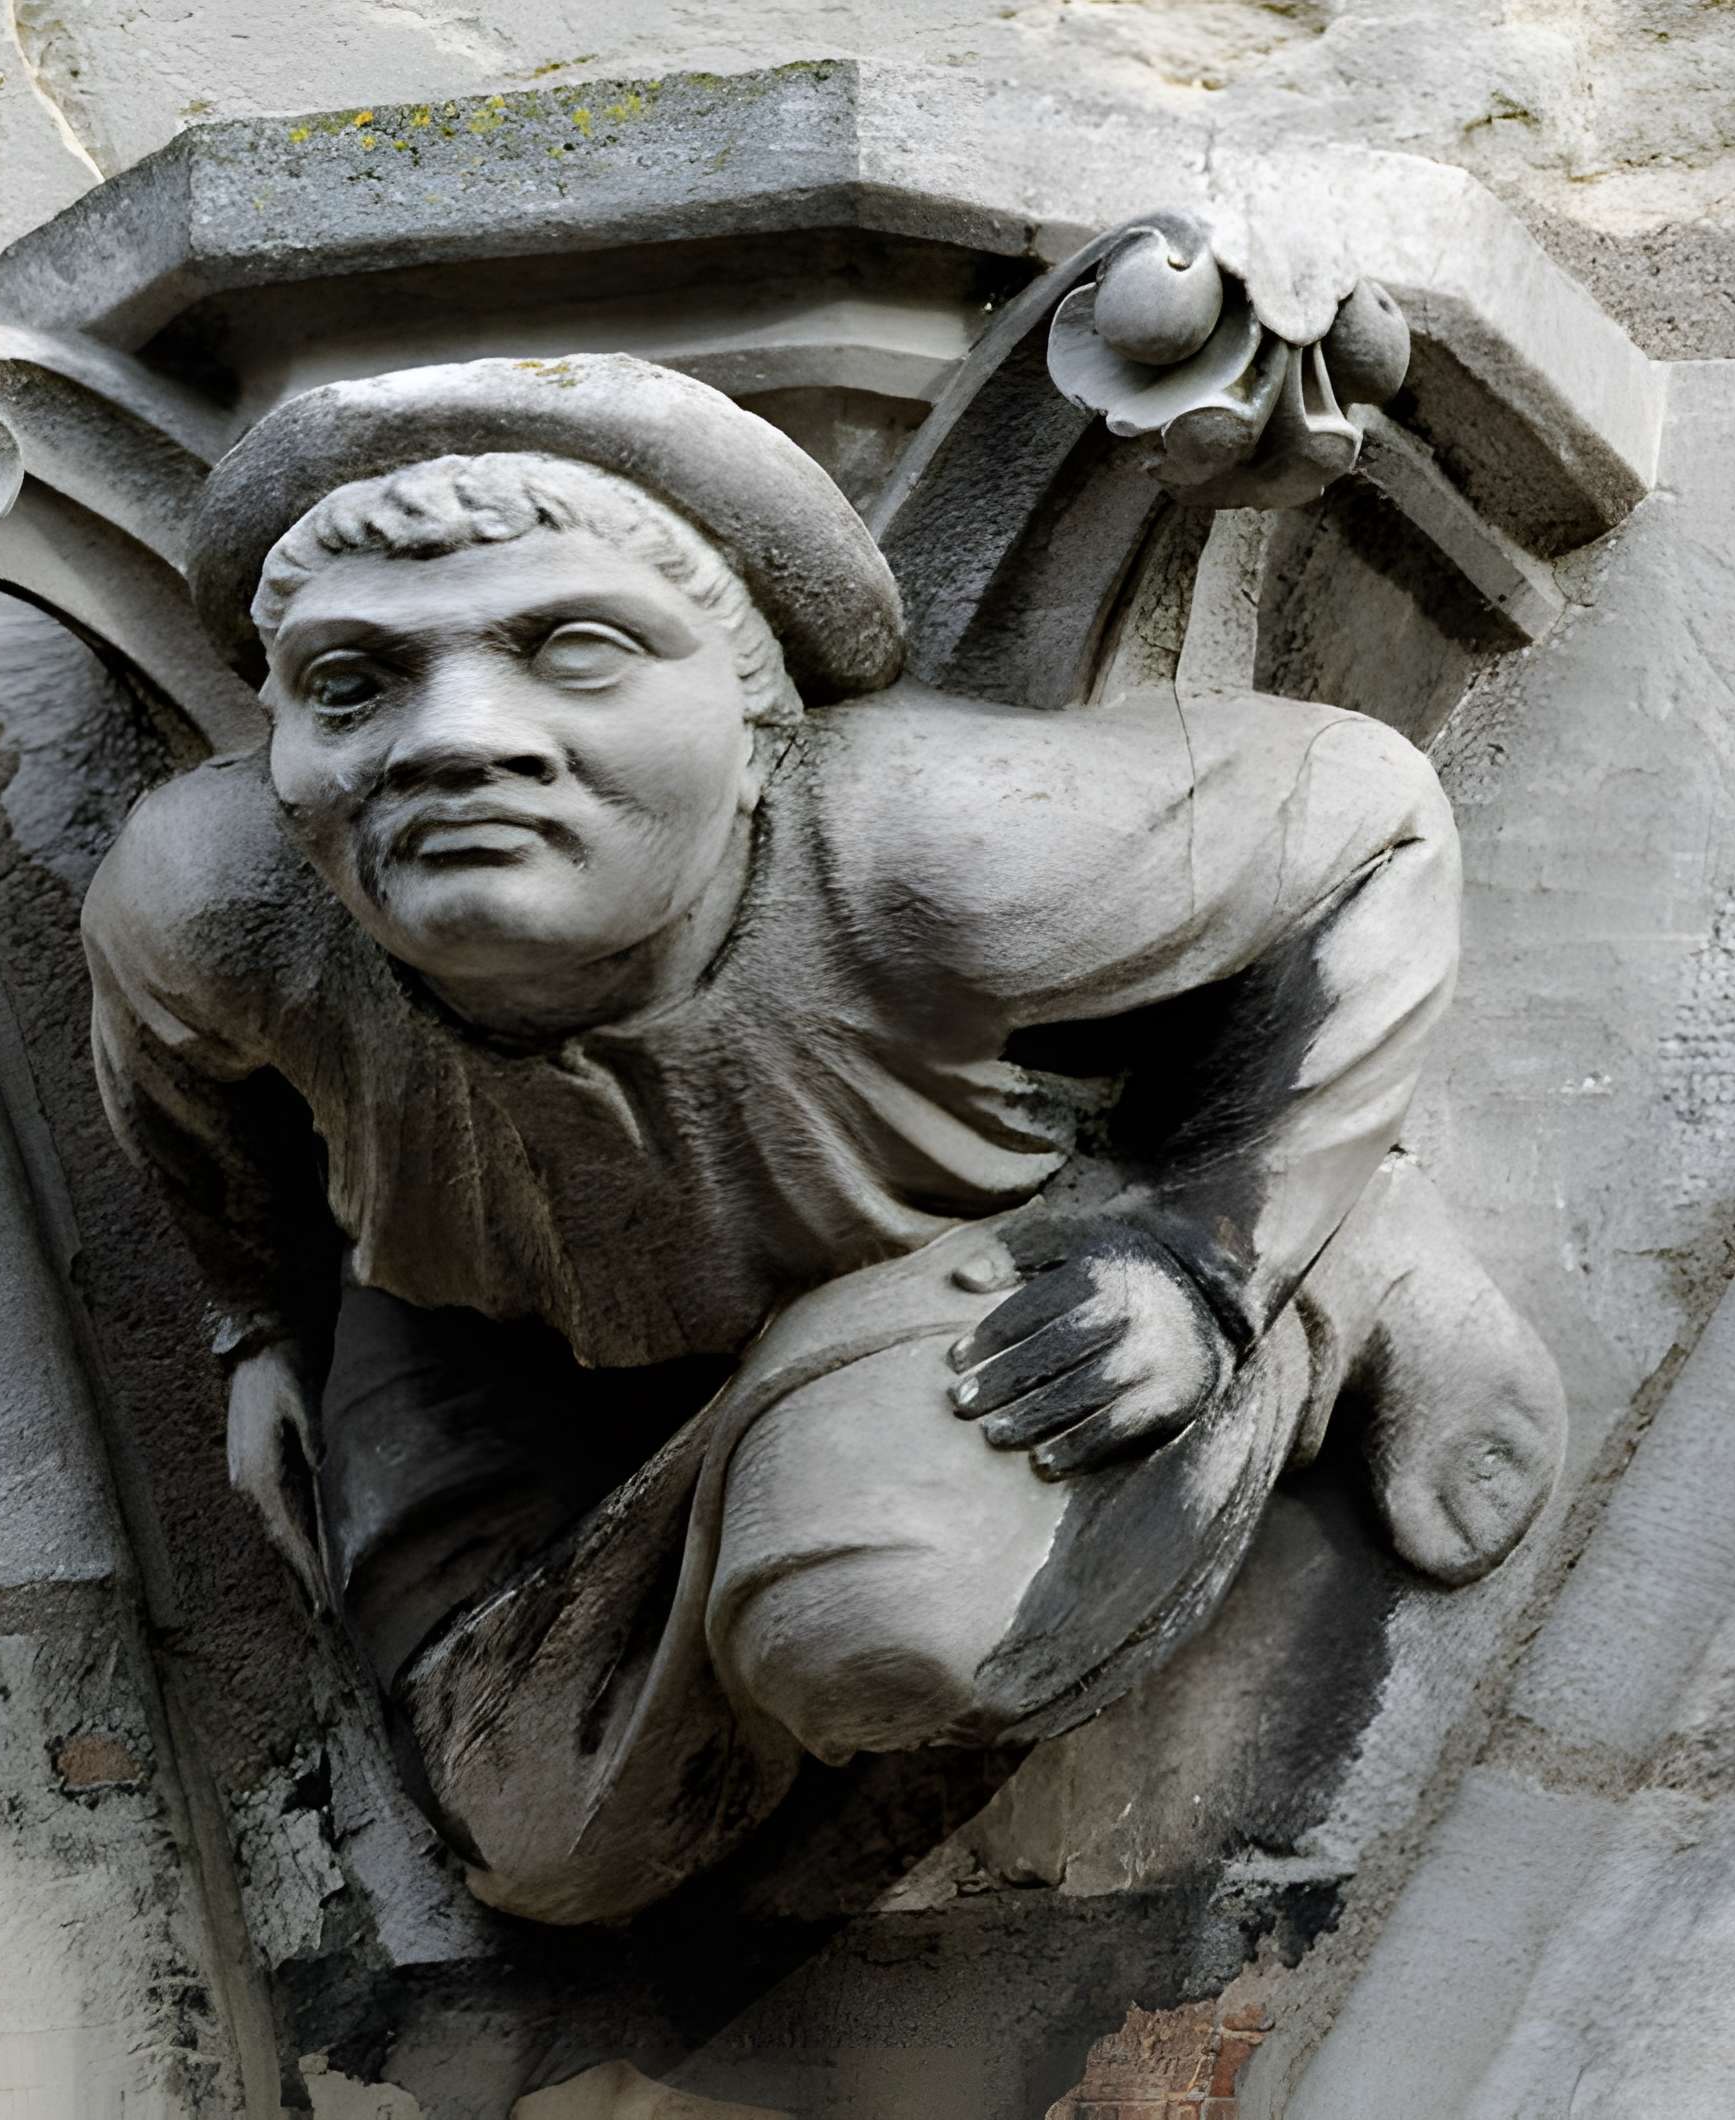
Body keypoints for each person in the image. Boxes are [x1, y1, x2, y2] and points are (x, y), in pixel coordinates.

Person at [84, 354, 1562, 1925]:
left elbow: (1373, 815)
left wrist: (1206, 1250)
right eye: (351, 684)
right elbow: (189, 1104)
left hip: (977, 1230)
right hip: (489, 1304)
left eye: (574, 650)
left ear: (749, 707)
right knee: (542, 1838)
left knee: (873, 1633)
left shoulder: (943, 844)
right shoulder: (215, 900)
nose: (449, 740)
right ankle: (762, 1474)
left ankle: (1346, 1263)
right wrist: (257, 1329)